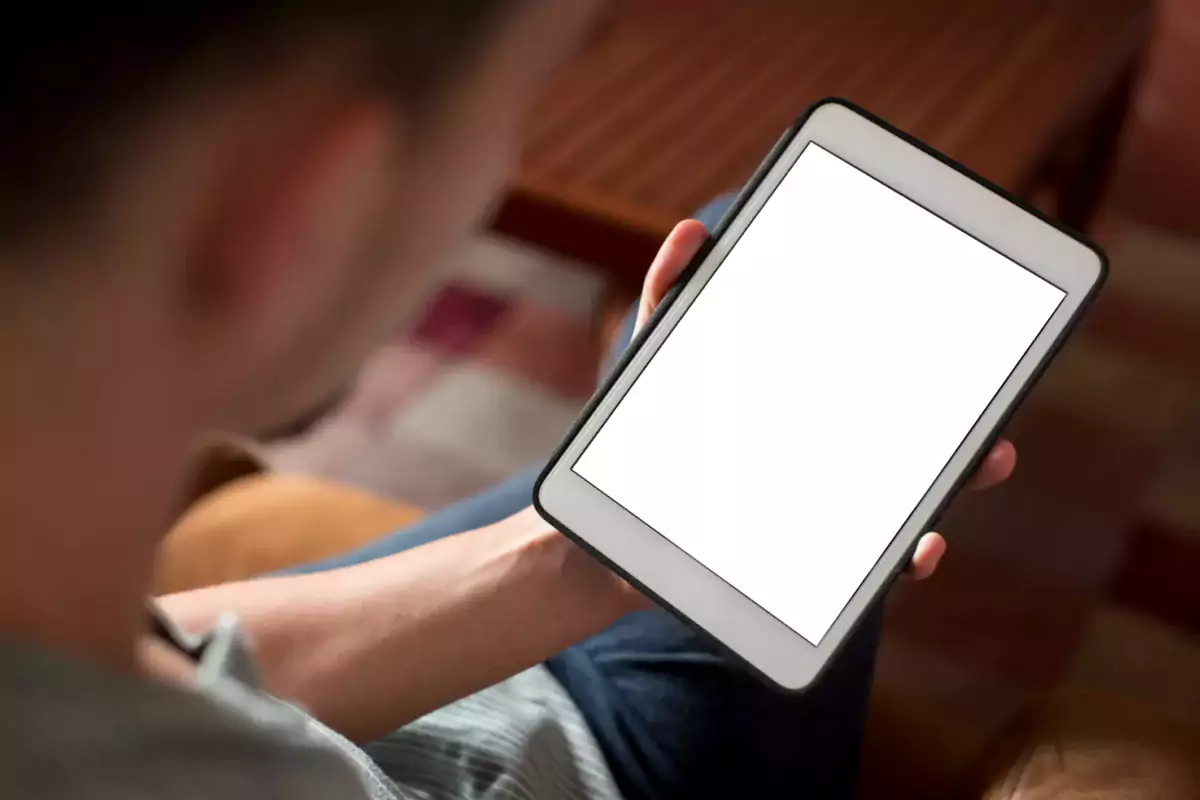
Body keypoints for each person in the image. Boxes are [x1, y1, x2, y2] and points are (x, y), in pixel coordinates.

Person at [0, 3, 1016, 799]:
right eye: (532, 89)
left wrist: (576, 552)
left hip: (428, 675)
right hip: (594, 770)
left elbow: (165, 658)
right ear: (309, 215)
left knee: (768, 266)